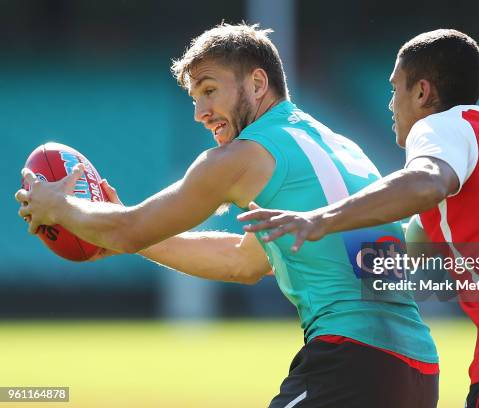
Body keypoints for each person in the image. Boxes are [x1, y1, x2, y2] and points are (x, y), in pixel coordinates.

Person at [16, 23, 439, 407]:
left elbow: (129, 229)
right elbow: (243, 259)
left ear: (258, 83)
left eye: (210, 89)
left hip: (351, 363)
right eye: (195, 97)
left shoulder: (242, 156)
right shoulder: (336, 145)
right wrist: (128, 238)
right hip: (416, 370)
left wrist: (60, 207)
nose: (200, 112)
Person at [239, 29, 479, 407]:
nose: (390, 104)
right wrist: (292, 252)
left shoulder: (441, 126)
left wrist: (320, 218)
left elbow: (427, 182)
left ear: (422, 92)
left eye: (394, 88)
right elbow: (397, 254)